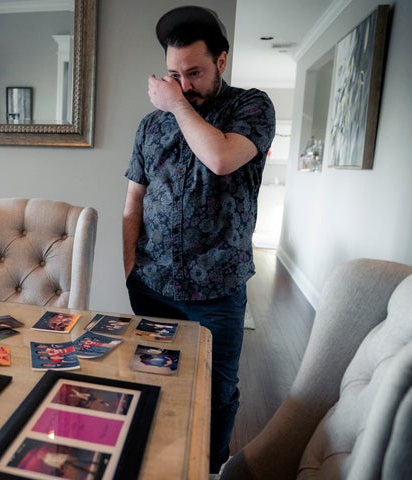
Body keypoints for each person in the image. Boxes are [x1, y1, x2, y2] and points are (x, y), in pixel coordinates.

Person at [122, 5, 276, 474]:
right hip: (152, 286)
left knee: (216, 392)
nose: (183, 84)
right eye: (174, 74)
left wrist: (177, 104)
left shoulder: (252, 107)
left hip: (218, 291)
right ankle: (157, 466)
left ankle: (206, 470)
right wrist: (129, 270)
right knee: (153, 383)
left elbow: (221, 159)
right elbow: (133, 204)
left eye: (194, 72)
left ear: (222, 62)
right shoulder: (150, 126)